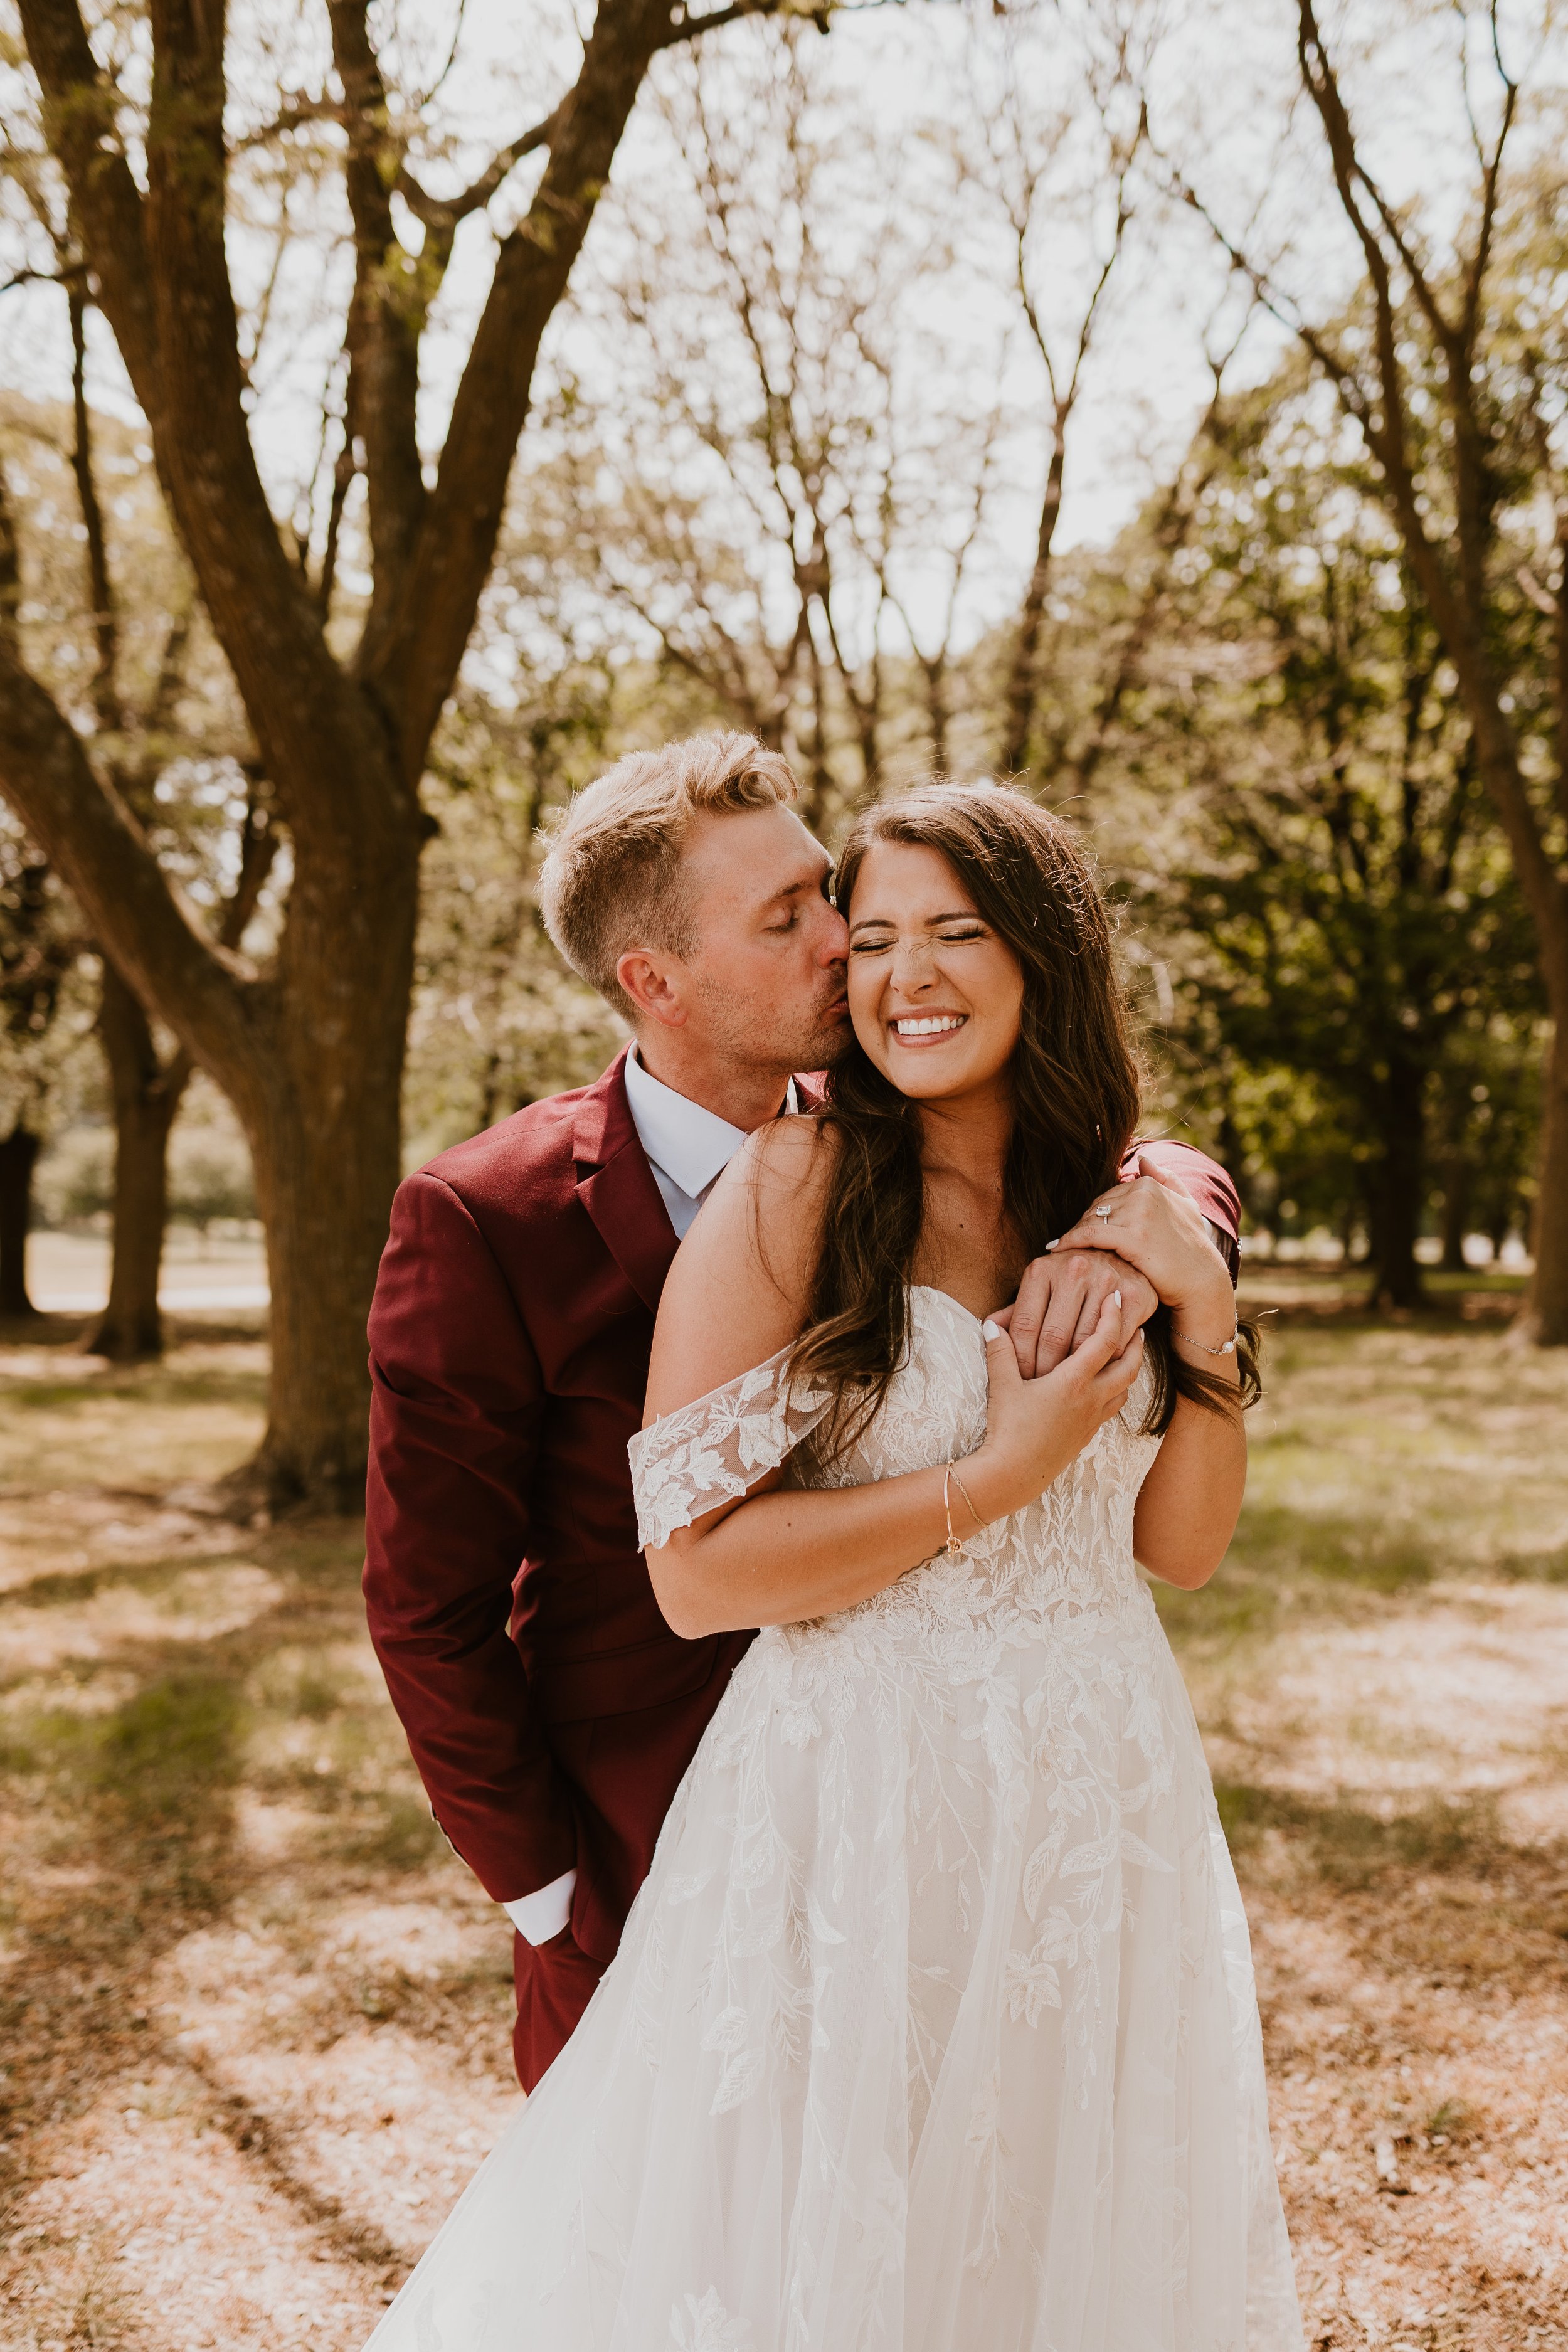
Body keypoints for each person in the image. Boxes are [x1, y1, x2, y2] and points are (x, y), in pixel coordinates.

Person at [365, 780, 1302, 2351]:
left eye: (912, 924)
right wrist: (542, 1899)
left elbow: (1181, 1545)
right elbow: (452, 1605)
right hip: (760, 1814)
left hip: (1094, 1801)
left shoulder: (1110, 1191)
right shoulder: (711, 1188)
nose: (856, 962)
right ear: (653, 979)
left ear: (1043, 951)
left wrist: (1193, 1294)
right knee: (748, 2272)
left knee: (1056, 2235)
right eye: (826, 925)